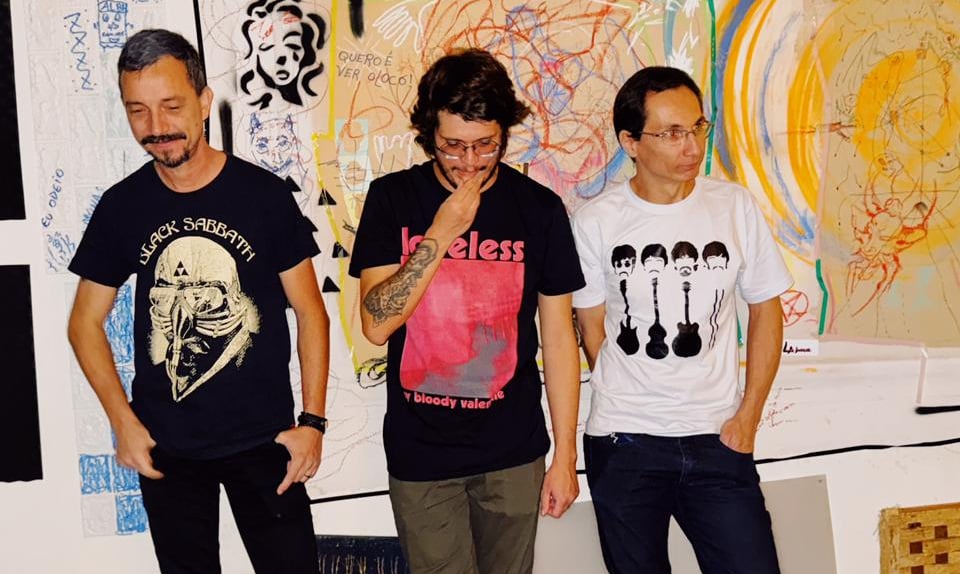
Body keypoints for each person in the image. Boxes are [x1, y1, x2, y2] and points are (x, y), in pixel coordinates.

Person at [67, 29, 329, 574]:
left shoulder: (264, 197)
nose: (157, 127)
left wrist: (313, 422)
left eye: (171, 106)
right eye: (138, 110)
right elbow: (84, 323)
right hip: (169, 450)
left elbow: (310, 311)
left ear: (205, 102)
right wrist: (124, 423)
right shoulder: (122, 208)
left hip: (267, 442)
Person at [348, 48, 584, 574]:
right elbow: (376, 322)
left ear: (505, 133)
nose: (470, 162)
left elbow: (560, 340)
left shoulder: (539, 210)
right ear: (428, 132)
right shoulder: (393, 199)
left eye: (485, 146)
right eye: (453, 146)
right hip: (421, 454)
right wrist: (442, 232)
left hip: (514, 451)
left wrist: (565, 455)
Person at [572, 66, 791, 574]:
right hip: (624, 441)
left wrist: (749, 414)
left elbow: (765, 309)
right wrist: (633, 389)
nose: (691, 145)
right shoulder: (596, 221)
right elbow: (590, 326)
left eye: (697, 127)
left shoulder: (733, 207)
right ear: (630, 141)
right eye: (671, 133)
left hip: (718, 437)